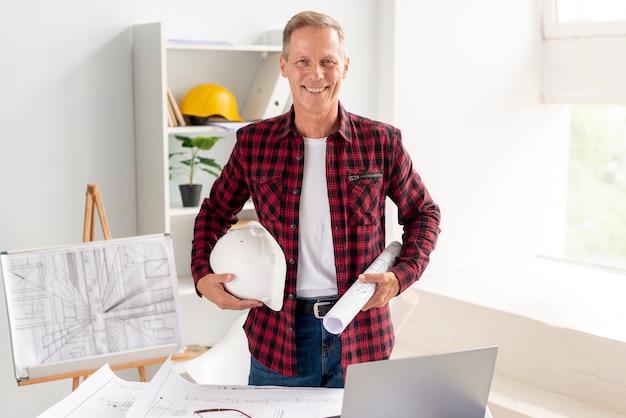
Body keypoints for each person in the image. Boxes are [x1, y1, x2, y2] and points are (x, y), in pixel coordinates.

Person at [191, 10, 441, 388]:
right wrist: (201, 276)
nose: (316, 74)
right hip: (280, 339)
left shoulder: (381, 142)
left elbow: (424, 212)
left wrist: (400, 276)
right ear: (284, 66)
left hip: (362, 337)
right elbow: (214, 211)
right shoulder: (254, 144)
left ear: (345, 67)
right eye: (303, 61)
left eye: (328, 61)